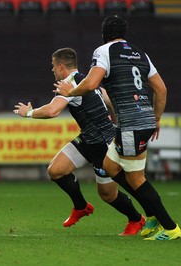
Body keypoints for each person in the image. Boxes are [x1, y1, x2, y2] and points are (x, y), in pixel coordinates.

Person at [54, 16, 181, 241]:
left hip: (132, 124)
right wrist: (157, 118)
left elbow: (92, 84)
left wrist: (69, 92)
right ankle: (151, 216)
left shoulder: (103, 51)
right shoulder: (140, 54)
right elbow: (161, 89)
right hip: (142, 121)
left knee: (136, 180)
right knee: (110, 166)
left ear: (104, 33)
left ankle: (170, 227)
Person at [14, 47, 145, 235]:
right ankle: (81, 206)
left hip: (103, 145)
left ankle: (136, 219)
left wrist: (28, 113)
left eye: (53, 66)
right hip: (88, 140)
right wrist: (116, 124)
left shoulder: (71, 83)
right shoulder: (87, 80)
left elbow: (52, 111)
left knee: (108, 195)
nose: (52, 70)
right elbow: (109, 101)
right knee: (56, 170)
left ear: (60, 67)